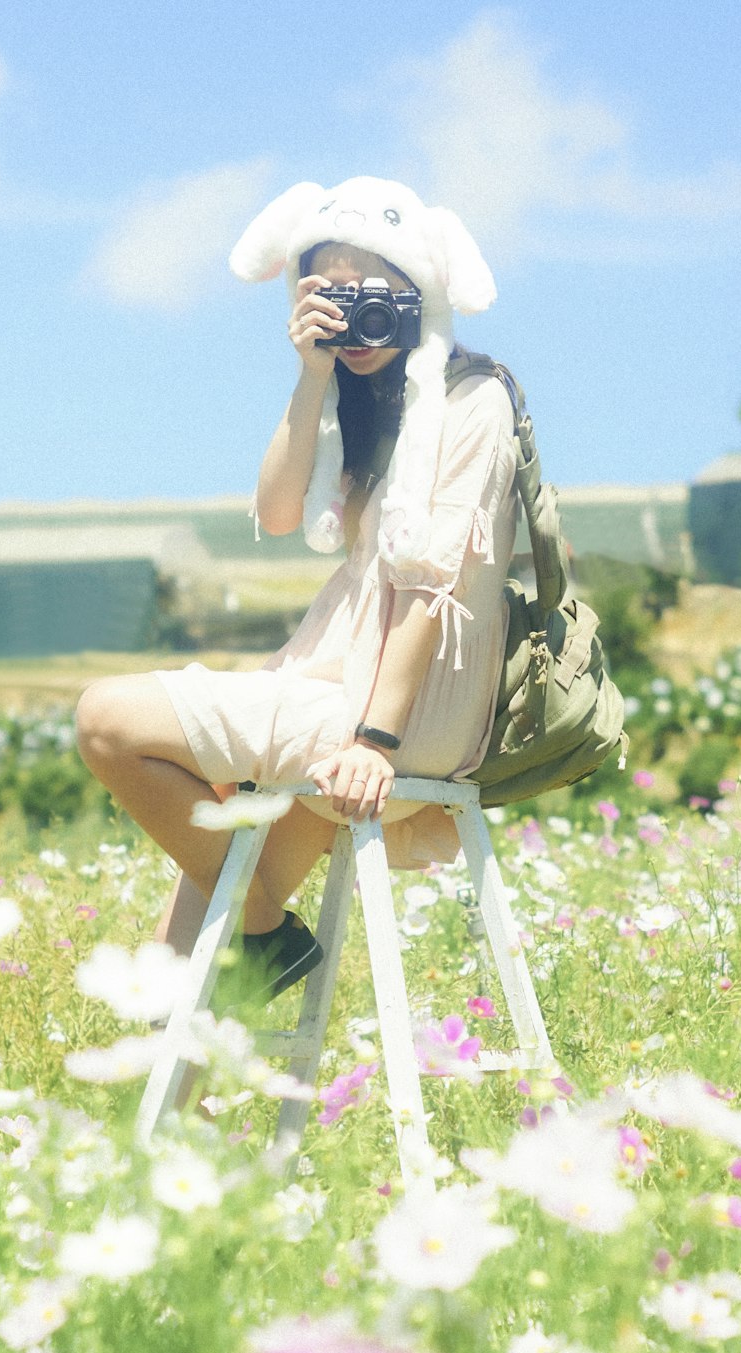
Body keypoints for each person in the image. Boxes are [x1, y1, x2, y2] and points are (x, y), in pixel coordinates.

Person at [75, 176, 518, 1004]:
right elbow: (280, 513)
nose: (357, 315)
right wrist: (312, 374)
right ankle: (182, 1114)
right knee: (211, 898)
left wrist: (374, 743)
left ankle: (267, 928)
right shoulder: (359, 401)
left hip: (398, 706)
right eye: (332, 291)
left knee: (104, 717)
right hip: (334, 690)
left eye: (373, 289)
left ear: (419, 284)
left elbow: (432, 587)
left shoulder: (472, 399)